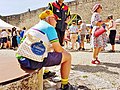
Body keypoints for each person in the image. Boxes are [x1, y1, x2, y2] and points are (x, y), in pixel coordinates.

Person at [16, 10, 78, 90]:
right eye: (55, 19)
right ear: (49, 19)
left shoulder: (33, 28)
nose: (56, 22)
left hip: (22, 58)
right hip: (32, 62)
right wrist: (64, 52)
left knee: (48, 49)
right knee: (68, 57)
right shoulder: (49, 28)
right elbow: (58, 50)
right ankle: (65, 86)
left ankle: (46, 72)